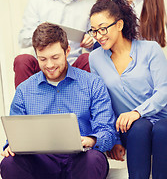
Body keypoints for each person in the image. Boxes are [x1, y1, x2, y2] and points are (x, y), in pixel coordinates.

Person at [0, 22, 119, 179]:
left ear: (67, 51)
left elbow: (107, 131)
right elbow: (15, 136)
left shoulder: (92, 84)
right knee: (9, 163)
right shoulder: (24, 90)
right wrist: (11, 146)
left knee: (93, 159)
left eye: (55, 57)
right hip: (41, 161)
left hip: (80, 159)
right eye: (42, 59)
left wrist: (91, 140)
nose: (49, 65)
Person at [88, 0, 167, 179]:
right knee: (139, 127)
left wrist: (137, 112)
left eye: (102, 28)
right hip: (129, 128)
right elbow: (101, 102)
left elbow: (164, 91)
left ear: (119, 24)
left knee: (162, 130)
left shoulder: (150, 49)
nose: (98, 36)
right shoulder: (95, 58)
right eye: (94, 31)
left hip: (162, 119)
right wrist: (114, 139)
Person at [14, 0, 95, 88]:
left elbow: (98, 40)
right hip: (44, 65)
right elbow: (22, 39)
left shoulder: (89, 5)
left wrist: (91, 41)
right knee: (22, 60)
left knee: (88, 59)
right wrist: (39, 31)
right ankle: (24, 107)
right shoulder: (37, 1)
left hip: (73, 66)